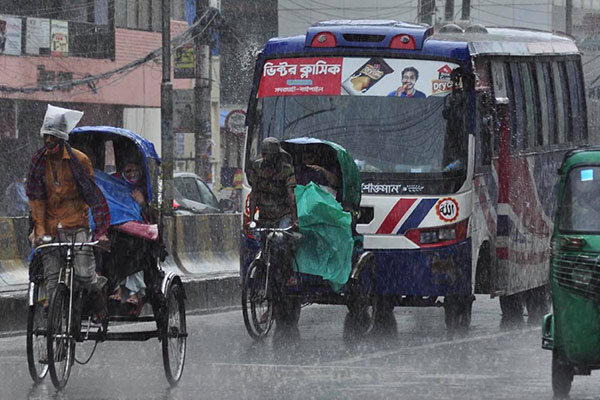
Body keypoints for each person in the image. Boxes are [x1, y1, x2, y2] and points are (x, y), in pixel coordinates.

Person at [26, 104, 110, 322]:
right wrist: (38, 231)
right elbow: (36, 200)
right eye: (46, 137)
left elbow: (94, 196)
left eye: (53, 137)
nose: (49, 142)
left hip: (77, 225)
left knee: (84, 275)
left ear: (62, 138)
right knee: (52, 282)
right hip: (50, 227)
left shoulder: (79, 161)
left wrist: (101, 232)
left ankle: (97, 286)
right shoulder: (38, 162)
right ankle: (57, 343)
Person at [247, 137, 301, 339]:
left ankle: (286, 275)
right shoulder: (257, 168)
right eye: (264, 153)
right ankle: (266, 283)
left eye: (270, 153)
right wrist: (252, 218)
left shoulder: (286, 169)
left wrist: (294, 220)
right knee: (261, 243)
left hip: (282, 215)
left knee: (279, 242)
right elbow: (254, 194)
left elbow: (291, 197)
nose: (266, 157)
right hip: (265, 214)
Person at [108, 160, 148, 315]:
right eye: (127, 172)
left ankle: (133, 292)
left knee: (134, 250)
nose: (131, 175)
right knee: (110, 250)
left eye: (134, 171)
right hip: (118, 232)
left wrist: (143, 203)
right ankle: (116, 288)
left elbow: (154, 217)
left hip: (140, 235)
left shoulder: (145, 189)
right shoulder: (117, 187)